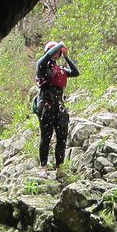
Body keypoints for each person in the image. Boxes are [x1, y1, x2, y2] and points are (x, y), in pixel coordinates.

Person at [35, 41, 80, 170]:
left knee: (62, 136)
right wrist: (60, 44)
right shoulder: (42, 66)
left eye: (57, 53)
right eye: (54, 52)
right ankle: (43, 166)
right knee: (46, 136)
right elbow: (47, 56)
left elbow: (76, 72)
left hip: (59, 104)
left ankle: (59, 167)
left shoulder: (60, 69)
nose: (55, 55)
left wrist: (66, 56)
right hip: (46, 104)